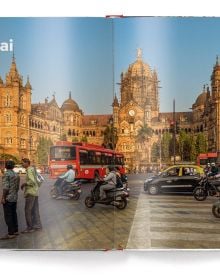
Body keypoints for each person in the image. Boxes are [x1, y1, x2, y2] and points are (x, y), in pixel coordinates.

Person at [20, 158, 42, 233]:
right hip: (35, 192)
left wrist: (24, 184)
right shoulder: (33, 169)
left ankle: (30, 227)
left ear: (27, 163)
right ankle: (38, 225)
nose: (22, 164)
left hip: (30, 192)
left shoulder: (29, 170)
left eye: (22, 163)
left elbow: (32, 181)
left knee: (27, 210)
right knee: (35, 209)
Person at [0, 160, 20, 240]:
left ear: (6, 166)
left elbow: (5, 188)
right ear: (13, 166)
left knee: (8, 215)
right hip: (14, 197)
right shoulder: (16, 174)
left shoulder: (6, 174)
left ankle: (10, 233)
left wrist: (3, 197)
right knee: (13, 214)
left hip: (8, 198)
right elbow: (17, 187)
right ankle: (15, 230)